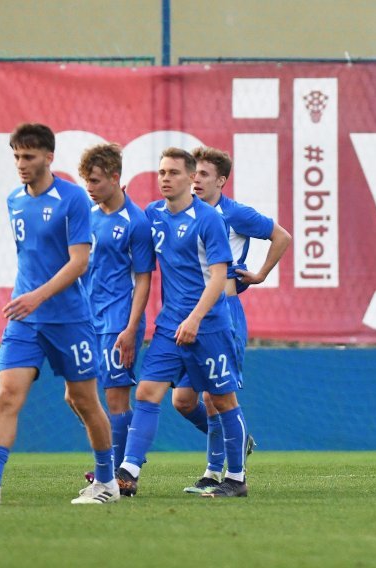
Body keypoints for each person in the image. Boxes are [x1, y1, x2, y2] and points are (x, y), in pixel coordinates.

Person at [0, 123, 119, 505]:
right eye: (16, 156)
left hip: (69, 320)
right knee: (7, 395)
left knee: (84, 400)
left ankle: (107, 482)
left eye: (28, 156)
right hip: (25, 319)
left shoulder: (72, 199)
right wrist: (27, 301)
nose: (21, 164)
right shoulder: (14, 199)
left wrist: (37, 297)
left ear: (49, 157)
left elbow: (79, 262)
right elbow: (30, 258)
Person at [115, 147, 251, 498]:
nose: (165, 178)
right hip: (170, 325)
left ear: (191, 178)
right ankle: (128, 472)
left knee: (222, 401)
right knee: (147, 392)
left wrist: (195, 318)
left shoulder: (209, 219)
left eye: (173, 172)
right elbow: (126, 223)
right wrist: (117, 193)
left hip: (209, 325)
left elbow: (219, 277)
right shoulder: (153, 214)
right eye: (162, 172)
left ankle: (236, 478)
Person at [171, 146, 292, 494]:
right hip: (190, 313)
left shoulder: (234, 212)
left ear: (221, 180)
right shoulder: (184, 213)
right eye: (194, 173)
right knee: (183, 400)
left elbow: (281, 236)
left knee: (215, 397)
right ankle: (235, 439)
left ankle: (218, 473)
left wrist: (260, 274)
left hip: (223, 313)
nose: (196, 180)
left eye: (204, 174)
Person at [75, 143, 154, 485]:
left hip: (118, 320)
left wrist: (131, 327)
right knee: (77, 396)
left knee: (115, 397)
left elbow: (143, 278)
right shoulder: (88, 217)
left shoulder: (135, 221)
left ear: (114, 177)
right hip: (87, 319)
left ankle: (116, 474)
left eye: (94, 181)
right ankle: (123, 457)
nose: (89, 188)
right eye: (86, 181)